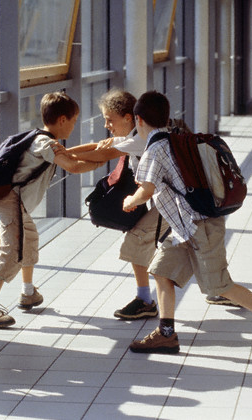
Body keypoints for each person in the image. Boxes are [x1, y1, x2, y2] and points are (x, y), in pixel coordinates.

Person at [123, 91, 252, 359]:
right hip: (183, 228)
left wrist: (129, 201)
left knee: (219, 286)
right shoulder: (174, 139)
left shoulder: (154, 150)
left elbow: (145, 192)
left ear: (138, 120)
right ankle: (166, 335)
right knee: (161, 272)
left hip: (199, 227)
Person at [0, 91, 103, 328]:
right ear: (62, 120)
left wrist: (104, 148)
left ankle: (28, 292)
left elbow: (71, 153)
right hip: (9, 199)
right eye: (74, 121)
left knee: (29, 238)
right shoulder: (46, 142)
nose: (74, 126)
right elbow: (72, 165)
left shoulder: (42, 138)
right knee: (11, 247)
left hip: (14, 199)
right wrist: (102, 160)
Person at [60, 88, 168, 320]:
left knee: (136, 240)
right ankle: (219, 287)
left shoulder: (140, 140)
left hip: (170, 202)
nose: (107, 125)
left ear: (128, 118)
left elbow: (102, 155)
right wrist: (64, 151)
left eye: (110, 120)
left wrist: (61, 158)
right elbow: (98, 146)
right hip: (171, 200)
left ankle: (145, 301)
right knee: (191, 246)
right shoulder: (136, 135)